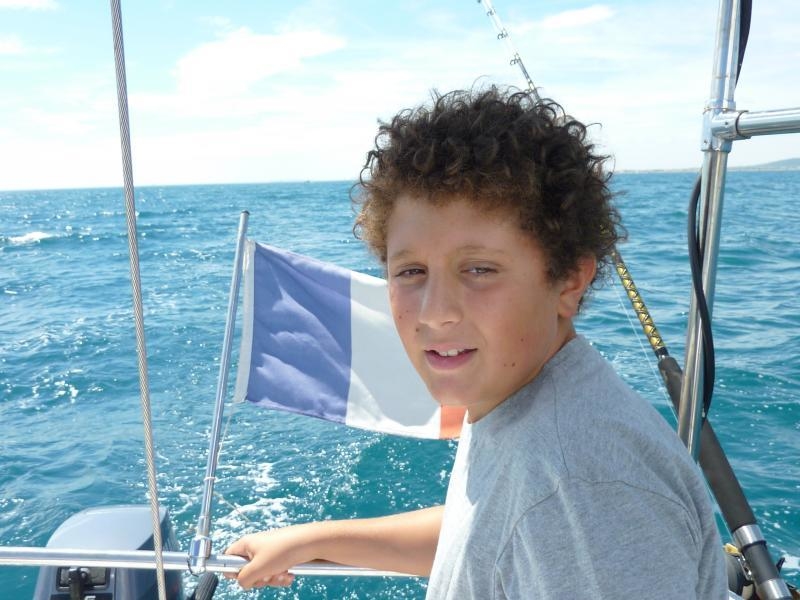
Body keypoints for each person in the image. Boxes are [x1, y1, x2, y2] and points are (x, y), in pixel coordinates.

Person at [225, 86, 728, 598]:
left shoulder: (582, 487)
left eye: (479, 269)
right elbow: (495, 534)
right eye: (411, 271)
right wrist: (317, 540)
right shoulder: (522, 406)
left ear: (569, 281)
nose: (435, 312)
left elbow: (557, 520)